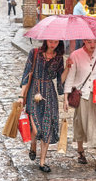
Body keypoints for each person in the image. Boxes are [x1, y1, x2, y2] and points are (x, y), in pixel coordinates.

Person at [18, 40, 72, 173]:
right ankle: (33, 144)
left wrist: (68, 68)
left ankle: (42, 162)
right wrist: (21, 95)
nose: (52, 43)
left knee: (47, 128)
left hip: (49, 95)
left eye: (55, 41)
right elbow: (26, 73)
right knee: (37, 130)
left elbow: (60, 80)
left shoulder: (59, 58)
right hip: (33, 93)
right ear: (46, 40)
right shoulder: (35, 53)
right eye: (50, 40)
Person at [64, 39, 96, 176]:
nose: (92, 45)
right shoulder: (75, 55)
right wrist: (65, 97)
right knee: (80, 124)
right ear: (84, 41)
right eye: (89, 42)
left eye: (95, 42)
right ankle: (80, 151)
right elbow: (70, 77)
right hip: (82, 96)